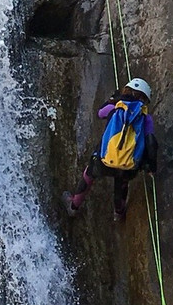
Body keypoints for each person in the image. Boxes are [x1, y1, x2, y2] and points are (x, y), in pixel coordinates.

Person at [62, 77, 158, 222]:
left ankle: (73, 207)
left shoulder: (114, 108)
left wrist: (112, 99)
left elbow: (100, 113)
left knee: (89, 175)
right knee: (122, 182)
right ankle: (118, 213)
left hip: (103, 161)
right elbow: (151, 142)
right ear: (145, 99)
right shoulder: (146, 118)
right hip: (128, 165)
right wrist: (151, 167)